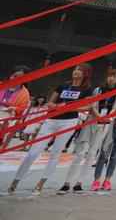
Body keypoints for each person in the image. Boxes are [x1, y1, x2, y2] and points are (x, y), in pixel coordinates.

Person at [7, 64, 93, 195]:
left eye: (79, 70)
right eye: (75, 69)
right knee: (32, 153)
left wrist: (69, 108)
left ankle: (40, 184)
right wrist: (55, 106)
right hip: (52, 120)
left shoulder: (87, 89)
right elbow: (50, 102)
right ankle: (15, 182)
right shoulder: (63, 85)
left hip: (68, 121)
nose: (75, 71)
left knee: (56, 153)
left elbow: (87, 106)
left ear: (85, 73)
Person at [60, 67, 116, 193]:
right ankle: (67, 182)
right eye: (110, 76)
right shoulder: (98, 90)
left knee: (92, 152)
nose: (111, 79)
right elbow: (92, 105)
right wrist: (100, 116)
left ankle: (79, 182)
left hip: (105, 123)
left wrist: (107, 117)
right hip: (92, 121)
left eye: (114, 77)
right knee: (79, 152)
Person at [0, 65, 31, 150]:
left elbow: (22, 108)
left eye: (20, 77)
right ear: (10, 75)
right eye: (14, 76)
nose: (16, 79)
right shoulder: (1, 85)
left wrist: (14, 109)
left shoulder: (25, 93)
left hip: (7, 119)